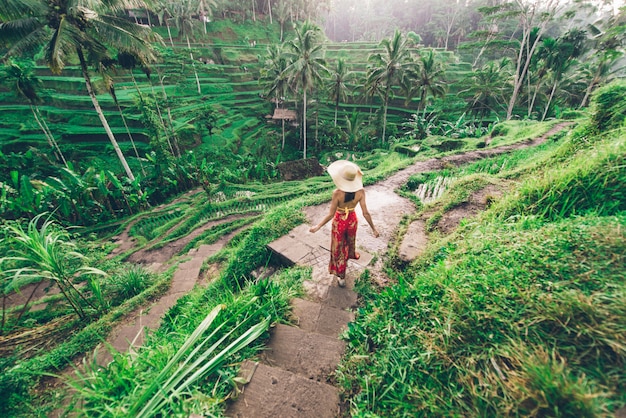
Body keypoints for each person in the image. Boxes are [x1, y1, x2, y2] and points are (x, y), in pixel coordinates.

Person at [309, 160, 379, 287]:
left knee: (338, 247)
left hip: (339, 221)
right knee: (349, 242)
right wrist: (373, 229)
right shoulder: (361, 191)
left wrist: (318, 226)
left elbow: (330, 214)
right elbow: (365, 213)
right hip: (352, 220)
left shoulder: (337, 193)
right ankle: (346, 261)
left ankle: (341, 276)